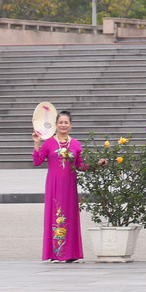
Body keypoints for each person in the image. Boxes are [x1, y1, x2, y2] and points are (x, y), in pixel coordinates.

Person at [32, 109, 105, 262]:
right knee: (55, 216)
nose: (63, 125)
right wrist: (37, 144)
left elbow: (80, 165)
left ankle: (70, 254)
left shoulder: (76, 144)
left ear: (71, 125)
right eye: (60, 122)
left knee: (69, 217)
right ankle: (55, 253)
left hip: (69, 186)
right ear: (56, 125)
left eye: (66, 123)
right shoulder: (49, 143)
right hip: (54, 185)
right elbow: (37, 162)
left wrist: (96, 164)